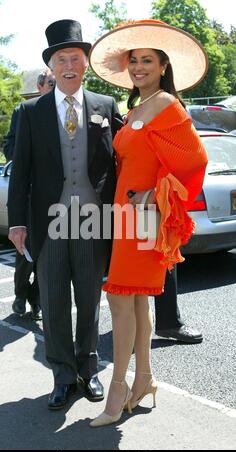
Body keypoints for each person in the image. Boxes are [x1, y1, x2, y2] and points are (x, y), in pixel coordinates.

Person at [88, 19, 208, 427]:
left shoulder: (166, 104)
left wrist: (153, 194)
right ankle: (144, 379)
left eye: (147, 61)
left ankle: (118, 387)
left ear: (162, 66)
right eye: (134, 60)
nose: (139, 66)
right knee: (136, 300)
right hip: (128, 217)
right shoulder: (139, 105)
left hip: (143, 215)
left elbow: (195, 160)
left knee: (120, 299)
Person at [7, 19, 122, 410]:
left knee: (90, 300)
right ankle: (61, 375)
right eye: (61, 59)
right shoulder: (30, 111)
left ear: (86, 63)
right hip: (49, 222)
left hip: (93, 221)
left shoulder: (106, 106)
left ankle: (88, 371)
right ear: (52, 67)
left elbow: (122, 159)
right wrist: (17, 222)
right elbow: (20, 171)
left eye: (75, 57)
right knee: (54, 303)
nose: (69, 64)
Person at [3, 69, 55, 321]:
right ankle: (20, 294)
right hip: (29, 196)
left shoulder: (64, 111)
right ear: (40, 86)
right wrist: (27, 157)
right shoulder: (24, 111)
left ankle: (36, 299)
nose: (55, 87)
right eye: (51, 83)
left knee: (48, 256)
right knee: (26, 252)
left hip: (56, 200)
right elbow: (10, 147)